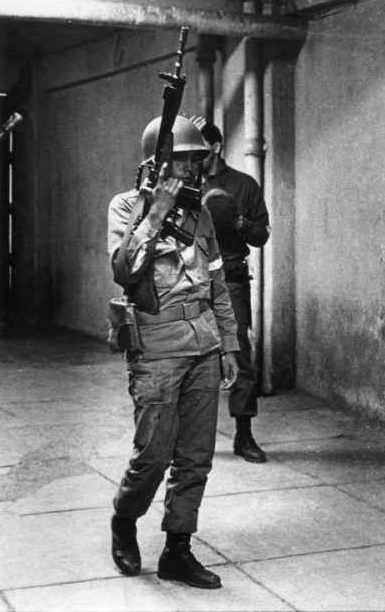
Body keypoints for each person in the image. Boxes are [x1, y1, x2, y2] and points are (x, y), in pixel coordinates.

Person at [107, 115, 240, 589]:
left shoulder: (201, 215)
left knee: (195, 456)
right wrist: (156, 212)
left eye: (195, 161)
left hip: (203, 345)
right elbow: (126, 270)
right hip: (158, 349)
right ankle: (125, 517)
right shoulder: (126, 208)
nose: (191, 171)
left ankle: (177, 549)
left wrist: (229, 344)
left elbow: (219, 283)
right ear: (156, 163)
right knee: (153, 455)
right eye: (181, 161)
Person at [192, 117, 270, 464]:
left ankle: (243, 433)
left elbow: (262, 235)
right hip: (191, 282)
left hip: (231, 279)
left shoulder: (243, 185)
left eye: (199, 147)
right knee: (189, 355)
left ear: (217, 147)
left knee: (239, 353)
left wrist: (242, 223)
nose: (193, 154)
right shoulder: (185, 183)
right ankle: (188, 438)